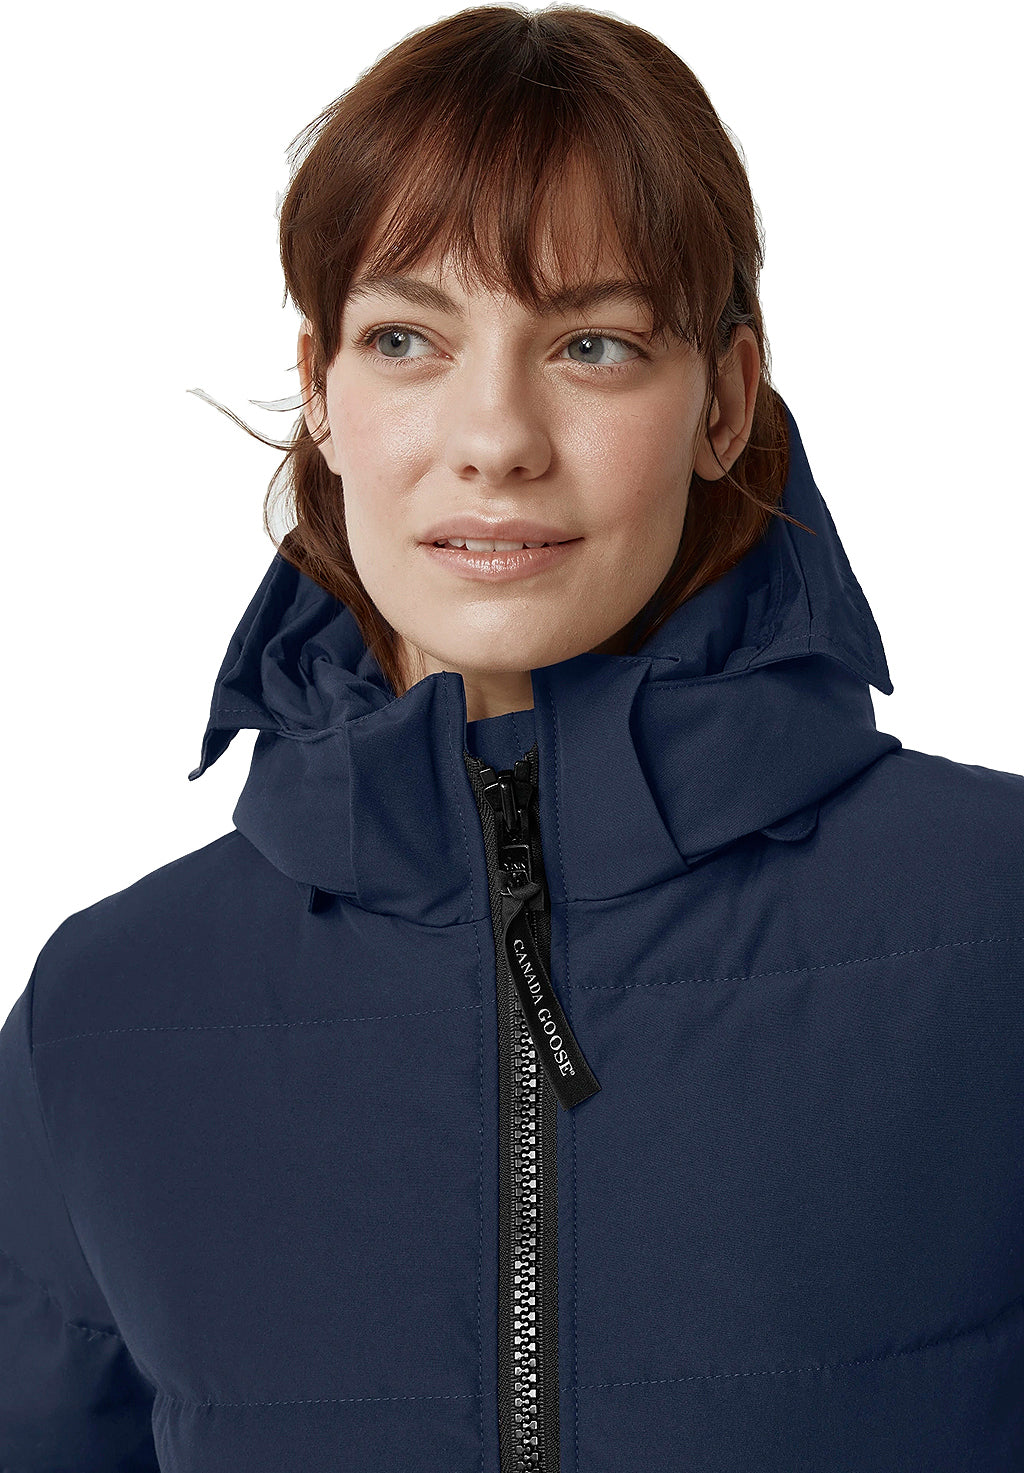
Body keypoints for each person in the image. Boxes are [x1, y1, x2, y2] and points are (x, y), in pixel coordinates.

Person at [2, 4, 1022, 1469]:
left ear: (724, 401)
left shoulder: (995, 919)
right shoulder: (105, 1012)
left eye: (593, 345)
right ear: (322, 392)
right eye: (405, 339)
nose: (495, 438)